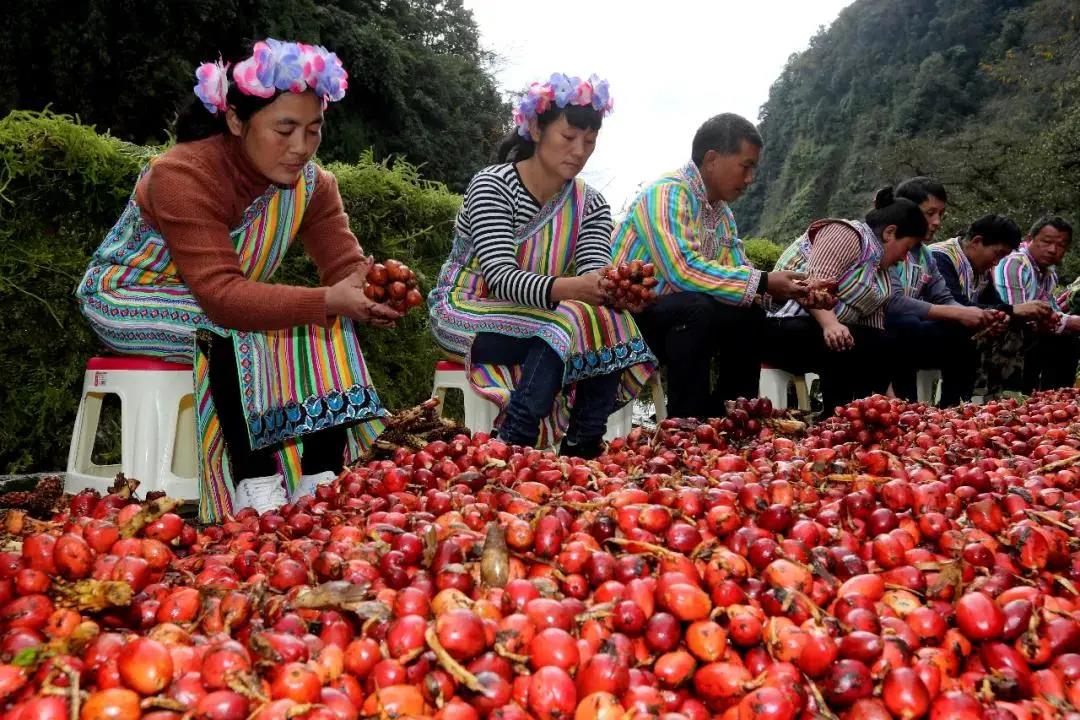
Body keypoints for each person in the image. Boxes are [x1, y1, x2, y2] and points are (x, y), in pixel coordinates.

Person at [77, 39, 397, 520]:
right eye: (284, 128)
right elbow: (225, 299)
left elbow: (343, 266)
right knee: (236, 324)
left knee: (325, 316)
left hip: (213, 297)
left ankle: (321, 478)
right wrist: (331, 297)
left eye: (313, 131)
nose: (300, 147)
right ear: (235, 121)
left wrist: (371, 290)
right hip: (126, 295)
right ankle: (255, 481)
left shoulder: (313, 186)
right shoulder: (182, 174)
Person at [427, 73, 656, 459]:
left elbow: (593, 271)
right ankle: (516, 438)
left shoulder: (592, 205)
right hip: (465, 307)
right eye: (569, 138)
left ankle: (582, 443)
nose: (580, 151)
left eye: (590, 141)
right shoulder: (492, 186)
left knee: (609, 320)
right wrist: (576, 290)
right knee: (564, 322)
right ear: (535, 128)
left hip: (540, 314)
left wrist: (614, 289)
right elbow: (499, 278)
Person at [610, 113, 807, 419]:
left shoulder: (722, 214)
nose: (750, 178)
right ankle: (687, 425)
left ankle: (733, 417)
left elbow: (739, 272)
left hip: (676, 316)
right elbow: (683, 271)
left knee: (748, 314)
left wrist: (786, 291)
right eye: (746, 166)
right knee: (695, 306)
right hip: (628, 318)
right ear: (712, 159)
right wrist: (765, 281)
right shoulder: (667, 194)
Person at [764, 188, 929, 413]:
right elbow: (813, 287)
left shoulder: (880, 272)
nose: (903, 258)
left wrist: (888, 395)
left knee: (883, 341)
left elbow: (875, 331)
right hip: (785, 325)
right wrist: (830, 324)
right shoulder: (846, 234)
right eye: (906, 248)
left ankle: (860, 418)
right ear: (890, 233)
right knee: (845, 343)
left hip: (828, 334)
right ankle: (837, 419)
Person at [885, 177, 999, 405]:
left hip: (912, 333)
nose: (937, 222)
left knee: (962, 331)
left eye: (941, 214)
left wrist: (973, 315)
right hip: (885, 329)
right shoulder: (888, 246)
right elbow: (893, 301)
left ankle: (955, 408)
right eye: (930, 213)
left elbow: (944, 297)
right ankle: (907, 408)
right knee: (906, 324)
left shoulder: (925, 255)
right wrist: (959, 313)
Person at [987, 216, 1080, 392]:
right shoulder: (1015, 262)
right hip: (1002, 333)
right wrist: (1068, 321)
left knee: (1067, 340)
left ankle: (1054, 401)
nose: (1053, 250)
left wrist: (1060, 321)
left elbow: (1050, 313)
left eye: (1061, 245)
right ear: (1029, 239)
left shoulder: (1049, 274)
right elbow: (1015, 310)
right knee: (1045, 337)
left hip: (1029, 334)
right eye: (1046, 242)